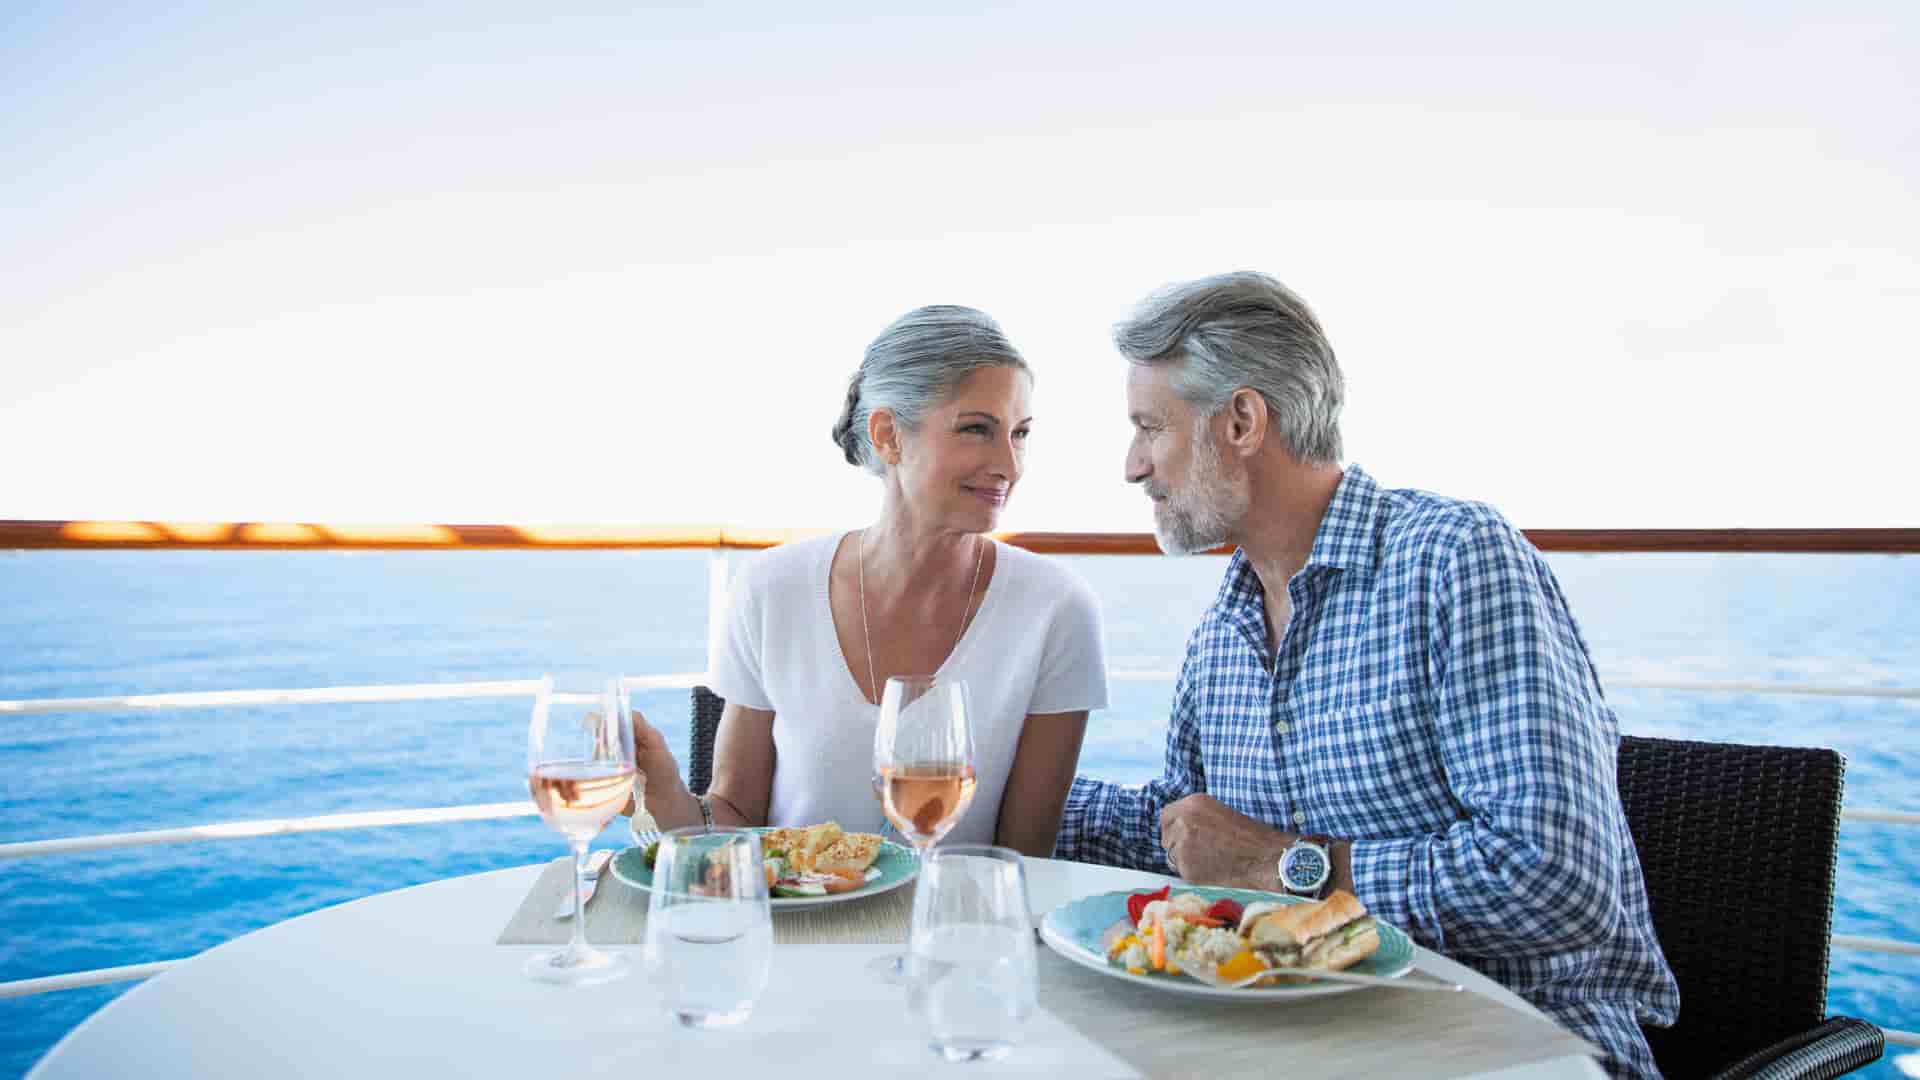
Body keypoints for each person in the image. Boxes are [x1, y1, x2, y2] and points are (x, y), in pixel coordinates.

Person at [1055, 272, 1679, 1078]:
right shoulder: (1225, 628)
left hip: (1509, 1041)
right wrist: (981, 777)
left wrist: (1286, 868)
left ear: (1242, 420)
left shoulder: (1453, 560)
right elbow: (1185, 837)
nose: (1134, 466)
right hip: (1303, 1042)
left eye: (1150, 428)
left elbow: (1557, 880)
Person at [629, 305, 1108, 854]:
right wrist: (664, 790)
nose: (1010, 464)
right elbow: (736, 819)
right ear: (888, 436)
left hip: (954, 931)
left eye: (1020, 434)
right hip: (793, 929)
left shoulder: (1057, 609)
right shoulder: (771, 588)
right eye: (977, 429)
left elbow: (1020, 859)